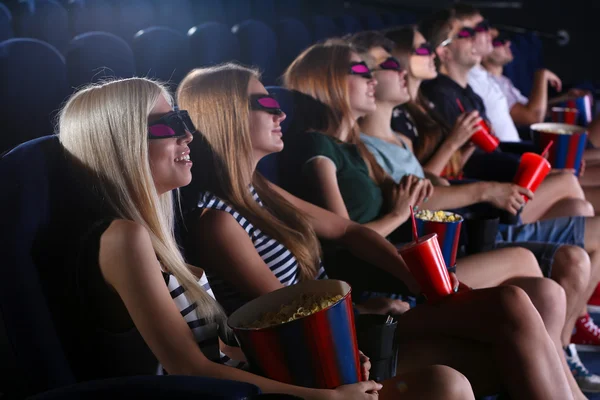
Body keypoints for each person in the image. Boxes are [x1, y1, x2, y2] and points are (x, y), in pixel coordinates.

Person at [178, 61, 575, 400]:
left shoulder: (260, 189)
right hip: (334, 352)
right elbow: (294, 317)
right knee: (511, 313)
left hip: (354, 324)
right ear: (225, 114)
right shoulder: (217, 220)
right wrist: (367, 309)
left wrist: (420, 281)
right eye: (265, 104)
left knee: (528, 306)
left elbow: (351, 231)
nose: (281, 114)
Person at [55, 76, 416, 400]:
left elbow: (222, 351)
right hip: (210, 395)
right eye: (168, 125)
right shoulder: (124, 238)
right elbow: (188, 369)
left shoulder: (156, 233)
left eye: (183, 121)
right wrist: (325, 398)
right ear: (122, 143)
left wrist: (321, 360)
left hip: (237, 383)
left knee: (443, 383)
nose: (188, 135)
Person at [351, 28, 600, 393]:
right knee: (544, 273)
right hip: (432, 253)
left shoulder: (403, 131)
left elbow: (428, 180)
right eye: (382, 65)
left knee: (565, 217)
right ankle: (559, 363)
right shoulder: (352, 151)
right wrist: (474, 181)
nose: (490, 36)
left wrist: (456, 166)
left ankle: (561, 364)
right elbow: (365, 225)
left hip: (455, 230)